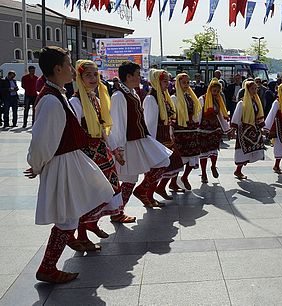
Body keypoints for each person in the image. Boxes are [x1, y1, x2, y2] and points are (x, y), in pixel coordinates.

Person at [25, 46, 114, 283]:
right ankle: (48, 267)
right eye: (68, 64)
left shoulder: (57, 94)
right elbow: (43, 139)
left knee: (74, 212)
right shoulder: (52, 100)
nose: (72, 70)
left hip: (69, 162)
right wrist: (36, 164)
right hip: (62, 164)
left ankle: (51, 263)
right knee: (67, 217)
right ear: (58, 69)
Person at [68, 60, 126, 250]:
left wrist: (114, 149)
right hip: (87, 156)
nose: (93, 79)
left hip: (102, 153)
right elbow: (72, 133)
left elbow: (103, 129)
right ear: (79, 78)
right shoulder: (75, 102)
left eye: (95, 75)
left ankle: (91, 225)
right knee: (89, 195)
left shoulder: (96, 98)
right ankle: (82, 235)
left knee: (104, 191)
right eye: (88, 75)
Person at [108, 61, 174, 210]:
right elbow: (118, 124)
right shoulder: (119, 95)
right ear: (129, 76)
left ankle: (141, 192)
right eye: (138, 75)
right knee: (130, 179)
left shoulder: (132, 93)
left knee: (163, 161)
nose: (140, 78)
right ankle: (118, 211)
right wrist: (119, 149)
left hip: (141, 139)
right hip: (128, 142)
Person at [143, 69, 184, 200]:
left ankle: (159, 189)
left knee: (175, 164)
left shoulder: (163, 96)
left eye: (168, 81)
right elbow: (149, 123)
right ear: (156, 81)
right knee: (157, 169)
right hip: (158, 140)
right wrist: (152, 145)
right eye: (164, 81)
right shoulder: (151, 98)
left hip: (166, 137)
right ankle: (148, 195)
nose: (168, 83)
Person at [171, 73, 202, 190]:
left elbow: (195, 113)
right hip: (180, 132)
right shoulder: (174, 98)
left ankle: (185, 177)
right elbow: (173, 116)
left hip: (191, 130)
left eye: (188, 82)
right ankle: (173, 182)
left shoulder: (190, 97)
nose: (186, 85)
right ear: (178, 83)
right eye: (184, 82)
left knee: (193, 157)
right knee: (180, 160)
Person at [230, 80, 265, 179]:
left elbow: (258, 115)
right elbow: (236, 116)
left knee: (252, 149)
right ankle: (238, 170)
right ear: (247, 89)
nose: (254, 91)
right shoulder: (242, 103)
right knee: (242, 150)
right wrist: (233, 129)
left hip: (253, 128)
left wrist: (260, 126)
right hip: (244, 129)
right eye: (252, 89)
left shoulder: (255, 102)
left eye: (256, 89)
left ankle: (238, 170)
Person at [198, 78, 231, 183]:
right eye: (214, 90)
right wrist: (196, 127)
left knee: (214, 151)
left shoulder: (218, 100)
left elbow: (221, 115)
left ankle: (213, 166)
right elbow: (198, 114)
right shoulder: (202, 99)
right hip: (203, 130)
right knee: (203, 152)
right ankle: (203, 173)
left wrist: (227, 128)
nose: (215, 92)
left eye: (217, 91)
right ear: (210, 89)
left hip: (215, 130)